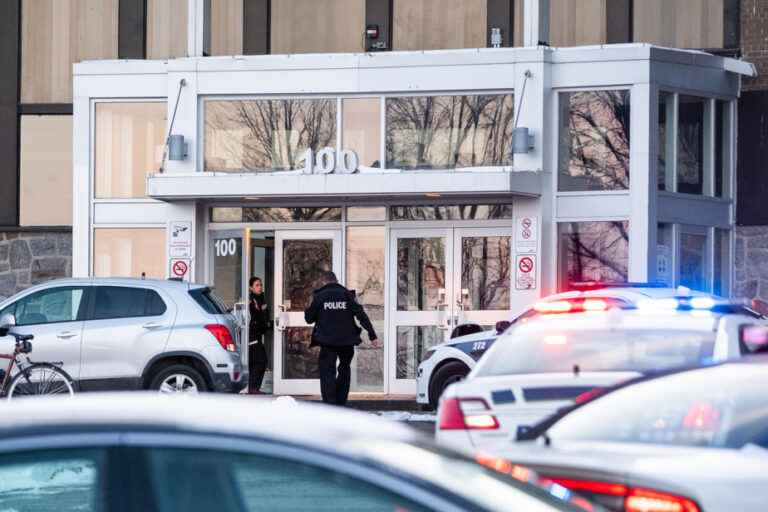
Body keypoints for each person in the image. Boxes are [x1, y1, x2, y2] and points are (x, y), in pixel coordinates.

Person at [304, 271, 377, 406]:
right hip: (346, 341)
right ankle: (341, 401)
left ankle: (330, 403)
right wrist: (372, 334)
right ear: (336, 281)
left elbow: (308, 318)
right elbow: (361, 315)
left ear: (324, 282)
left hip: (327, 341)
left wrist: (309, 307)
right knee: (344, 369)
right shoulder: (347, 295)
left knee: (327, 372)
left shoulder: (320, 296)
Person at [248, 277, 269, 394]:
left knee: (259, 361)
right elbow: (256, 316)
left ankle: (254, 388)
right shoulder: (252, 300)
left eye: (260, 285)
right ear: (251, 288)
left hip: (258, 334)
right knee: (260, 361)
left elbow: (264, 316)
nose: (260, 287)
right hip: (252, 335)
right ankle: (252, 388)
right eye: (257, 285)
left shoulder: (261, 298)